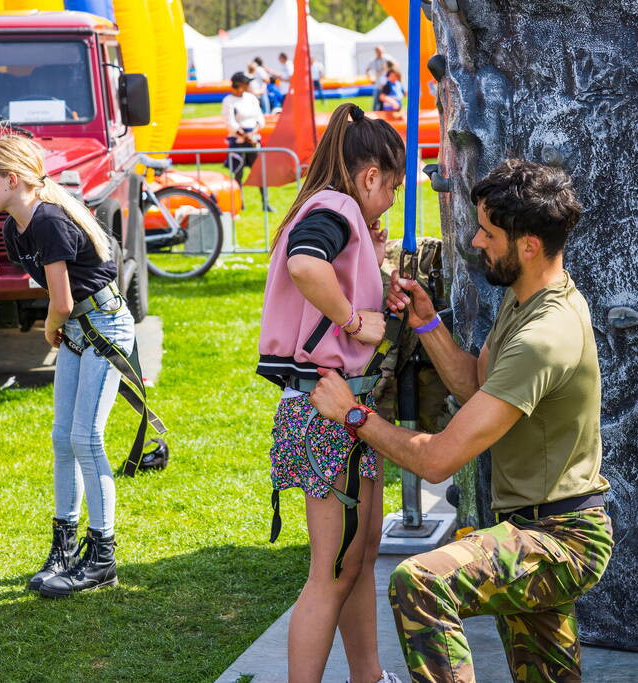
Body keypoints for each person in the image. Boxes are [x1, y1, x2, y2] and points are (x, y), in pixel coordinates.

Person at [309, 159, 614, 682]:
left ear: (528, 246)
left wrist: (353, 414)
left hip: (562, 540)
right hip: (531, 529)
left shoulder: (545, 336)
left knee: (421, 582)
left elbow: (437, 460)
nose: (476, 242)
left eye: (488, 233)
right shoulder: (527, 301)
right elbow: (475, 386)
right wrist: (426, 322)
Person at [257, 103, 406, 683]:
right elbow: (304, 264)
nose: (391, 199)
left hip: (341, 409)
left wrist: (375, 284)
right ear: (370, 176)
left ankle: (368, 676)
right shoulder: (336, 206)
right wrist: (352, 319)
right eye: (391, 187)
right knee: (333, 569)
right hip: (323, 407)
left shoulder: (337, 210)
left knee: (359, 557)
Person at [0, 133, 132, 598]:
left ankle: (102, 556)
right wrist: (60, 325)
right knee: (63, 437)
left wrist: (49, 329)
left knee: (86, 437)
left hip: (102, 326)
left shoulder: (46, 220)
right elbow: (59, 296)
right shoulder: (14, 227)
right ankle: (63, 549)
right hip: (79, 330)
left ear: (11, 179)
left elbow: (60, 301)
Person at [223, 71, 273, 212]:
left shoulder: (251, 98)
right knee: (238, 173)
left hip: (253, 138)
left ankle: (265, 202)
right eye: (245, 83)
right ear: (239, 85)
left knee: (260, 173)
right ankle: (240, 203)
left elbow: (260, 118)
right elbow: (230, 122)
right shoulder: (228, 101)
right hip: (239, 140)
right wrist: (246, 136)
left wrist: (253, 133)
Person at [364, 45, 394, 111]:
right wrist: (370, 78)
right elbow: (367, 70)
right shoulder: (373, 61)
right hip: (378, 84)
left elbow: (394, 66)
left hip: (387, 84)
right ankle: (375, 116)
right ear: (376, 52)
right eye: (378, 51)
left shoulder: (387, 59)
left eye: (381, 51)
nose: (380, 52)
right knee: (376, 102)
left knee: (387, 102)